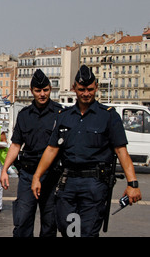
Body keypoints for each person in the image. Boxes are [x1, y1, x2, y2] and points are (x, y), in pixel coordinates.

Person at [31, 65, 142, 237]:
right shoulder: (64, 116)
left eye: (90, 89)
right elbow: (52, 150)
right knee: (68, 230)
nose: (86, 93)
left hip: (94, 184)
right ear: (74, 88)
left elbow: (121, 151)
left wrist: (132, 184)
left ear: (96, 87)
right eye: (81, 89)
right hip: (68, 184)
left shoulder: (109, 116)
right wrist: (37, 177)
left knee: (87, 232)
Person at [0, 69, 62, 237]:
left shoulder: (60, 113)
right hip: (28, 174)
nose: (42, 94)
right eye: (38, 91)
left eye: (46, 90)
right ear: (31, 90)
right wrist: (5, 169)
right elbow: (15, 145)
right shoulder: (24, 115)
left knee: (50, 224)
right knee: (22, 222)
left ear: (50, 89)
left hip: (51, 176)